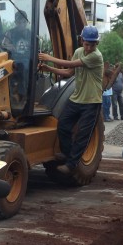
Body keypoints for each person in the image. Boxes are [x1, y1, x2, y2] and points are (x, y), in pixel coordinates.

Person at [38, 25, 104, 176]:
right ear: (81, 41)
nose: (89, 48)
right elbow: (68, 72)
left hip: (91, 101)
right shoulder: (78, 52)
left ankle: (71, 165)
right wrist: (49, 69)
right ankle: (68, 155)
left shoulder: (96, 56)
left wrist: (49, 58)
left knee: (83, 134)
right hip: (76, 99)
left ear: (97, 44)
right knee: (63, 125)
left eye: (92, 45)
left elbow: (72, 64)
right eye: (86, 44)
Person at [2, 11, 32, 105]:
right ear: (16, 22)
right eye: (19, 22)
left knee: (25, 67)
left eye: (24, 22)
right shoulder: (10, 33)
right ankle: (11, 95)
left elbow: (35, 47)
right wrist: (10, 46)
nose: (22, 24)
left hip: (27, 59)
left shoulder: (30, 34)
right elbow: (4, 45)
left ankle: (24, 95)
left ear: (26, 22)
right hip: (13, 58)